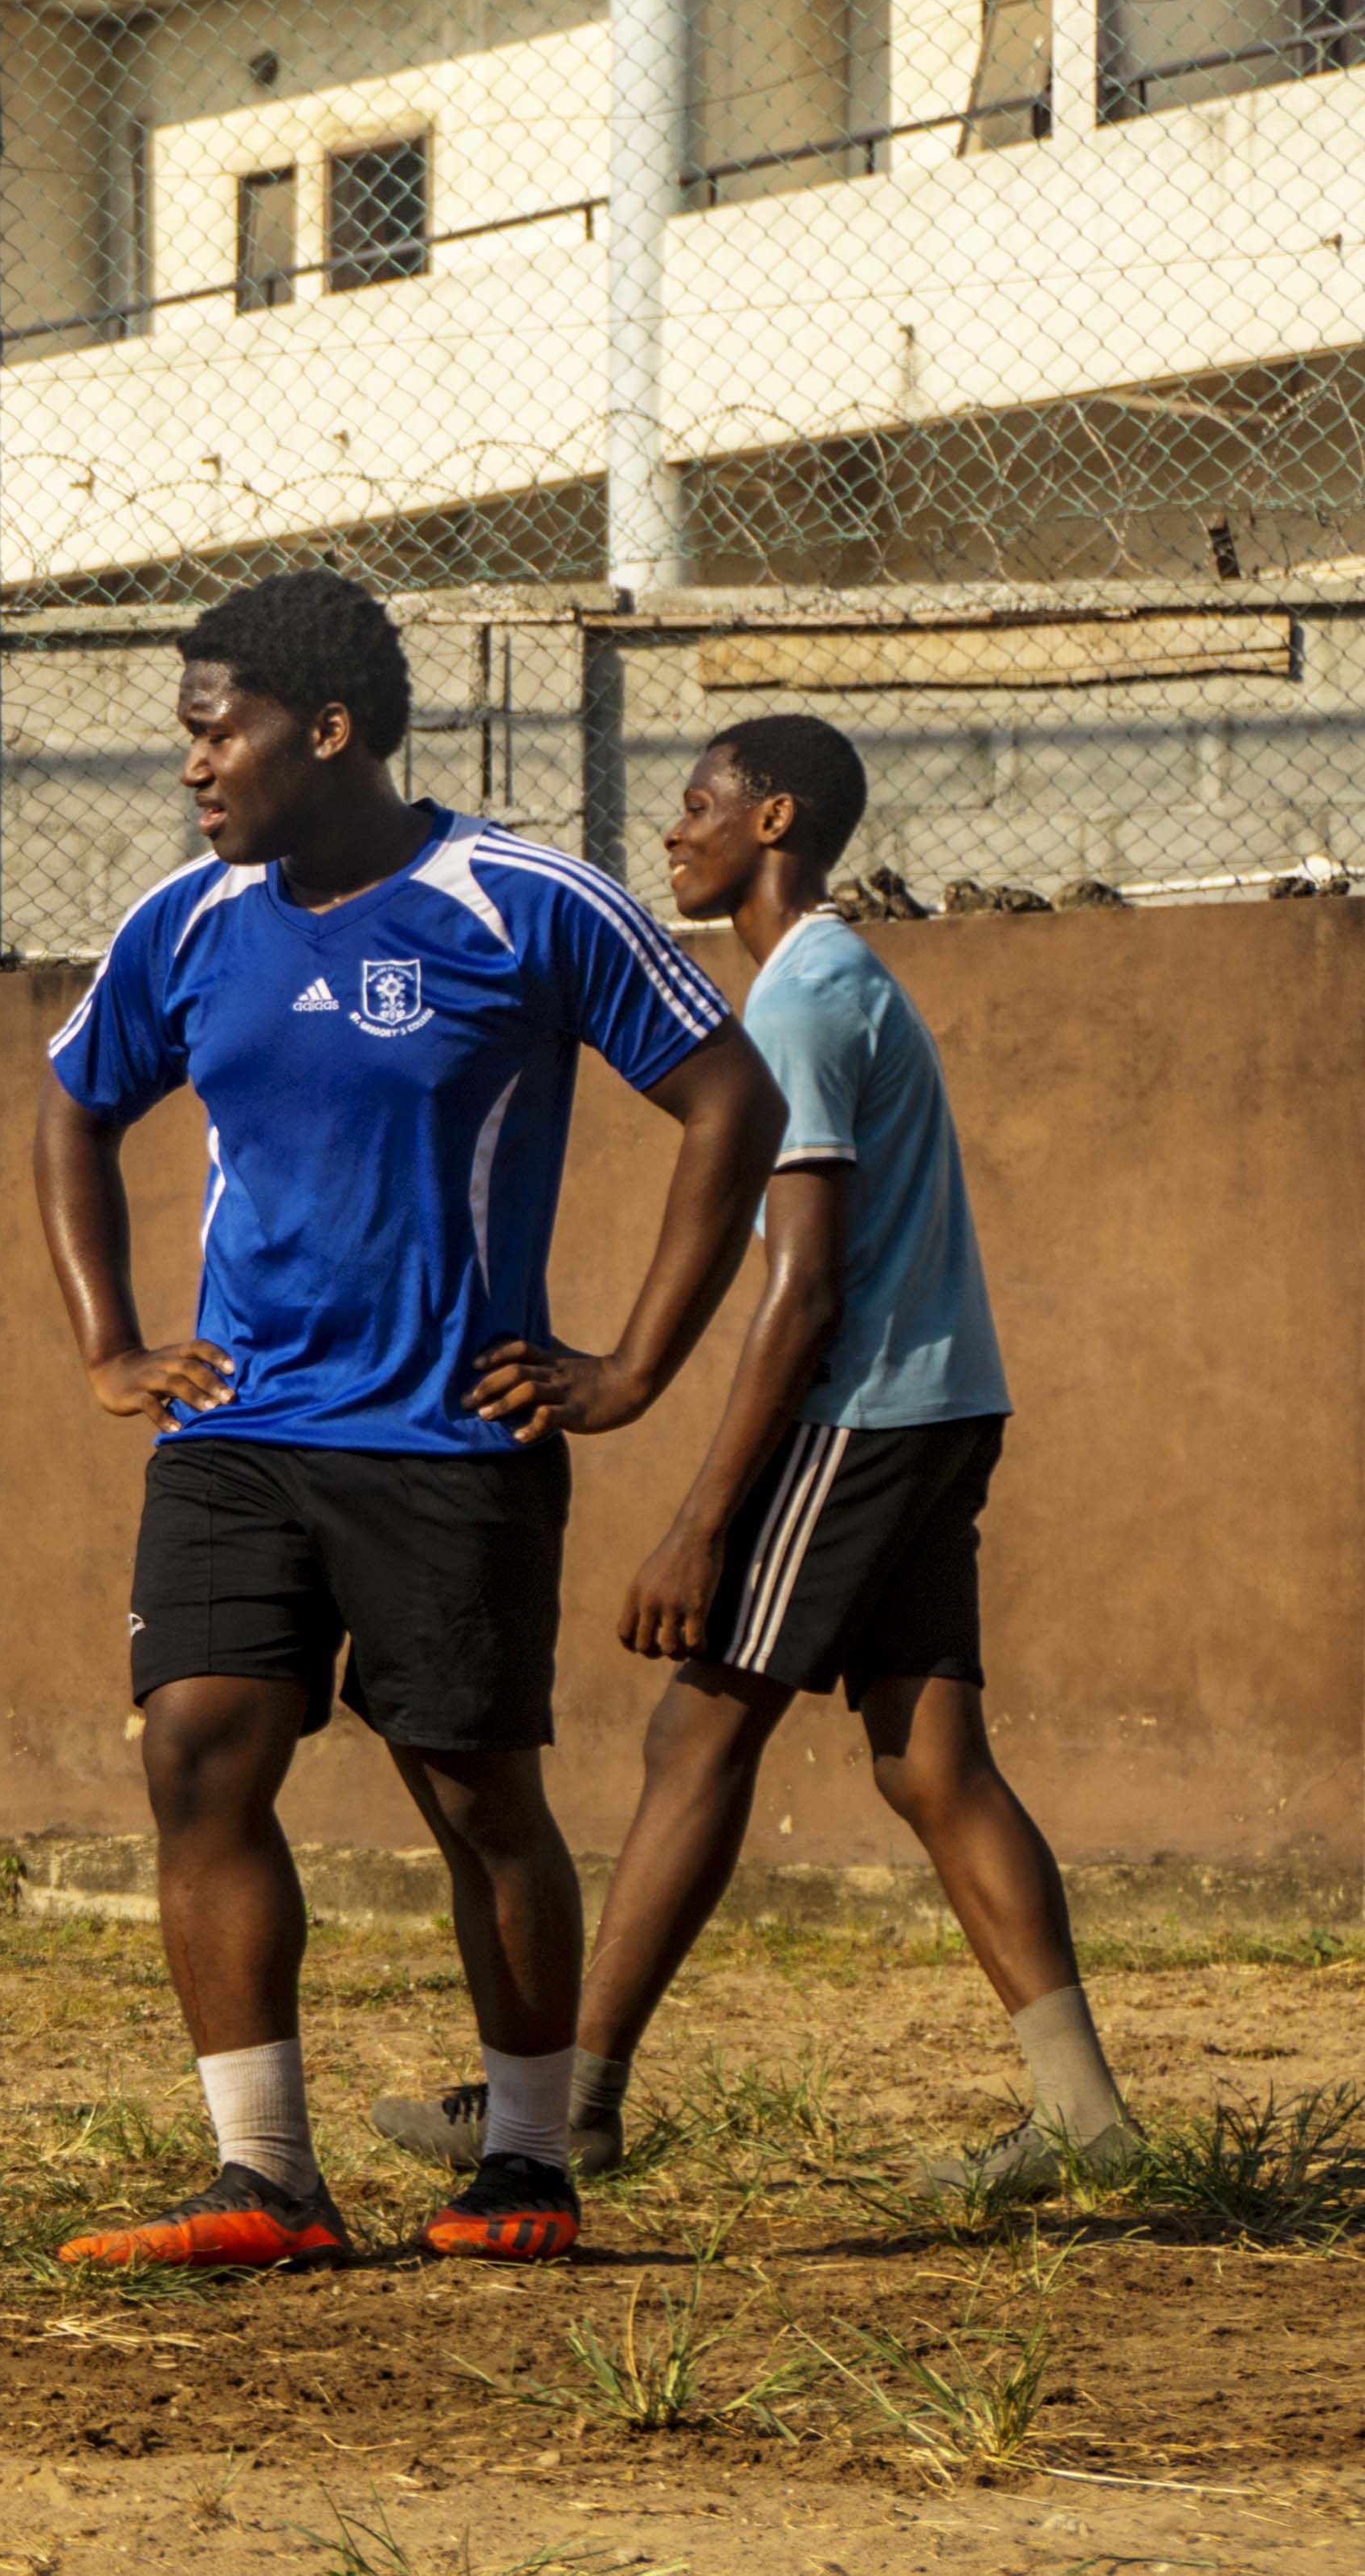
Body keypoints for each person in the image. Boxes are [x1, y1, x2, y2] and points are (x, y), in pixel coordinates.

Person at [35, 572, 782, 2271]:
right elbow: (70, 1109)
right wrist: (111, 1342)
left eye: (215, 733)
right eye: (188, 737)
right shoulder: (189, 923)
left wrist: (633, 1365)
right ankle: (267, 2179)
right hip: (235, 1429)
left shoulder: (522, 900)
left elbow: (728, 1093)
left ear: (329, 728)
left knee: (473, 1790)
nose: (193, 769)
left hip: (451, 1436)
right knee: (195, 1748)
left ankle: (525, 2163)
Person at [369, 715, 1137, 2203]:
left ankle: (569, 2108)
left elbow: (803, 1283)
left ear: (772, 818)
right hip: (934, 1401)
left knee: (696, 1731)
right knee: (930, 1762)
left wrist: (699, 1521)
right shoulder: (825, 984)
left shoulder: (801, 1000)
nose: (673, 831)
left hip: (857, 1411)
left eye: (698, 802)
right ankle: (1086, 2115)